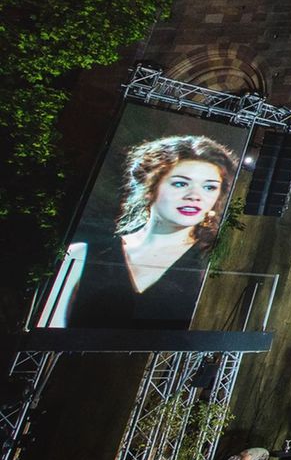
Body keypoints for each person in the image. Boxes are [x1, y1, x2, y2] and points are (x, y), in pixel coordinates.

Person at [42, 135, 239, 329]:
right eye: (180, 183)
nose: (195, 196)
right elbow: (44, 336)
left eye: (209, 187)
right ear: (149, 186)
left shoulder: (213, 262)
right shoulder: (80, 255)